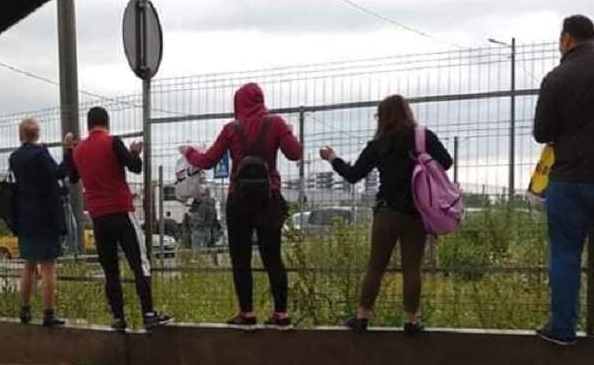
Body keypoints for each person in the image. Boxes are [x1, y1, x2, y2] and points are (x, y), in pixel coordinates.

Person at [320, 94, 452, 335]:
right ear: (406, 113)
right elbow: (447, 162)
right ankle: (411, 321)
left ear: (382, 118)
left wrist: (333, 158)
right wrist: (422, 159)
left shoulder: (378, 144)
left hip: (387, 213)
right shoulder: (423, 136)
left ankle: (362, 317)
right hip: (416, 213)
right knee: (412, 269)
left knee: (375, 267)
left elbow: (353, 175)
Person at [180, 82, 302, 327]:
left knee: (240, 259)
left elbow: (207, 161)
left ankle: (246, 313)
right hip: (269, 199)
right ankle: (281, 313)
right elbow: (295, 153)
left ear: (238, 103)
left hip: (239, 201)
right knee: (273, 258)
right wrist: (289, 131)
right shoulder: (275, 123)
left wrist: (189, 152)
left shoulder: (231, 129)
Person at [68, 106, 170, 331]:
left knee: (110, 270)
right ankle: (149, 314)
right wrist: (134, 153)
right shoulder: (113, 142)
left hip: (98, 218)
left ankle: (118, 317)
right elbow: (135, 168)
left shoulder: (79, 150)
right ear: (107, 122)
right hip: (121, 211)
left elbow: (73, 177)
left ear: (88, 124)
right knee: (139, 264)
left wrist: (69, 150)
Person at [533, 15, 594, 345]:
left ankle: (563, 328)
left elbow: (542, 132)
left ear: (567, 38)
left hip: (570, 179)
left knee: (566, 254)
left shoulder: (557, 77)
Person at [8, 117, 68, 328]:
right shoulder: (41, 154)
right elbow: (58, 173)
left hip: (25, 217)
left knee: (29, 265)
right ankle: (48, 314)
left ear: (21, 134)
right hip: (46, 217)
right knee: (49, 267)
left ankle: (24, 310)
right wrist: (68, 151)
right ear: (38, 134)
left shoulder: (14, 157)